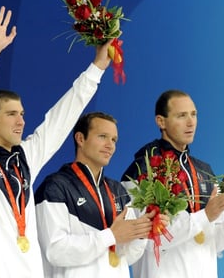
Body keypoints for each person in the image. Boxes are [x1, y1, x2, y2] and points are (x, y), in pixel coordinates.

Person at [0, 6, 113, 277]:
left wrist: (97, 69)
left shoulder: (24, 158)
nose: (21, 121)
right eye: (11, 114)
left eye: (22, 114)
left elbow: (60, 121)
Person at [120, 89, 224, 278]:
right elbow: (151, 239)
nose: (191, 122)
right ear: (161, 121)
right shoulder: (142, 170)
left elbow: (212, 241)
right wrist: (205, 215)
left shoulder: (203, 170)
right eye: (181, 116)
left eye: (193, 114)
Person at [35, 112, 161, 277]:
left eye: (114, 140)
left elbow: (126, 257)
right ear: (80, 139)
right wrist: (110, 235)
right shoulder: (55, 187)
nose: (110, 145)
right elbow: (55, 250)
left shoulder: (118, 190)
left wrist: (142, 233)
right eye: (103, 136)